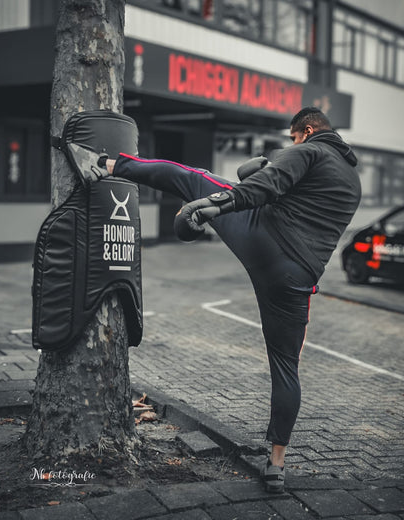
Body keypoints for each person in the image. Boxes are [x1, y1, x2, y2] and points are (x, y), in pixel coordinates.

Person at [73, 107, 361, 493]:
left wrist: (216, 203)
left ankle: (104, 164)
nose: (291, 143)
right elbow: (281, 188)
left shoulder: (309, 151)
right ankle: (276, 463)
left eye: (293, 137)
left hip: (263, 237)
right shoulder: (353, 181)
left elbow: (269, 185)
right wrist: (254, 176)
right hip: (298, 279)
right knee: (286, 366)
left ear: (306, 131)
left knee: (190, 177)